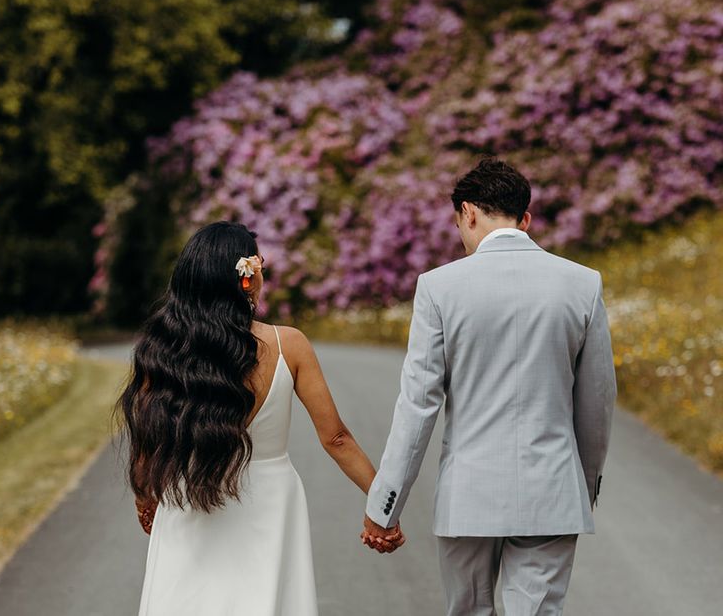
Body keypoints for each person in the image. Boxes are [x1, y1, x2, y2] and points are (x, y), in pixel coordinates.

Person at [360, 158, 617, 615]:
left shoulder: (438, 288)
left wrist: (385, 506)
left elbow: (418, 407)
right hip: (553, 492)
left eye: (459, 222)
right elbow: (597, 400)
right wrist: (585, 481)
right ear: (526, 219)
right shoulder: (583, 284)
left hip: (469, 495)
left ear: (469, 213)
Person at [115, 221, 404, 616]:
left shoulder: (162, 349)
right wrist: (383, 509)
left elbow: (148, 435)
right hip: (269, 500)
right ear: (247, 279)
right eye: (261, 264)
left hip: (186, 493)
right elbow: (336, 438)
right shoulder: (289, 344)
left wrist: (145, 498)